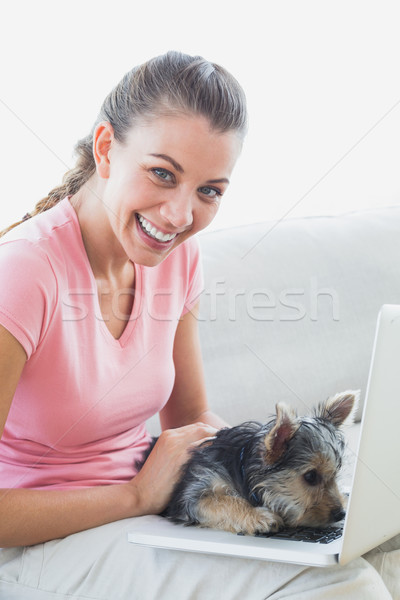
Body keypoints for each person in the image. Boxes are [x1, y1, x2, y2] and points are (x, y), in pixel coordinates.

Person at [0, 51, 397, 599]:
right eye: (162, 174)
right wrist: (137, 497)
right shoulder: (22, 272)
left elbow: (189, 421)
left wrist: (261, 469)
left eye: (209, 190)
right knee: (338, 588)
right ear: (106, 149)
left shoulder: (175, 258)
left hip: (148, 511)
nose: (180, 216)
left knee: (345, 566)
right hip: (37, 544)